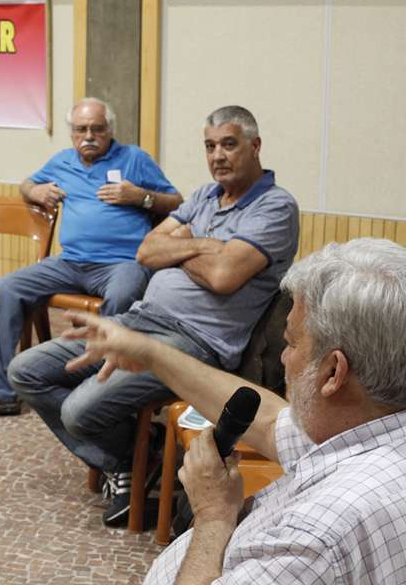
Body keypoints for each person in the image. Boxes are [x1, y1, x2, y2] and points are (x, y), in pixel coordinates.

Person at [9, 106, 300, 527]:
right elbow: (146, 251)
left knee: (78, 411)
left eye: (229, 144)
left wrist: (183, 245)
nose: (218, 155)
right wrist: (206, 245)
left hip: (197, 343)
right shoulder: (203, 196)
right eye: (210, 146)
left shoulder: (275, 207)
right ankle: (136, 456)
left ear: (255, 147)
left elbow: (223, 276)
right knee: (26, 370)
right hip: (141, 318)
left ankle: (133, 457)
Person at [67, 238, 406, 585]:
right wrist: (150, 353)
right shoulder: (370, 424)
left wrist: (213, 516)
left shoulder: (316, 535)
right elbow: (270, 421)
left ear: (333, 373)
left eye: (290, 343)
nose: (283, 359)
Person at [0, 97, 183, 418]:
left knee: (124, 293)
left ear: (110, 130)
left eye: (97, 129)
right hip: (70, 261)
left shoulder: (134, 159)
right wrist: (35, 192)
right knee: (9, 287)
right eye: (80, 130)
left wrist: (141, 197)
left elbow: (176, 202)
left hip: (121, 263)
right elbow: (27, 183)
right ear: (72, 133)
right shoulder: (62, 161)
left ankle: (99, 388)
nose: (88, 136)